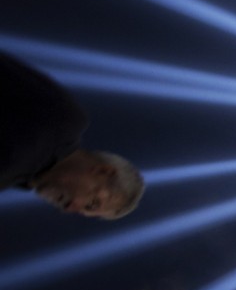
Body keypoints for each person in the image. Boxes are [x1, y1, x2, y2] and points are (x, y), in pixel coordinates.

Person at [0, 52, 144, 219]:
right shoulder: (60, 119)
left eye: (85, 211)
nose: (69, 208)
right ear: (103, 171)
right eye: (92, 203)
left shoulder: (15, 177)